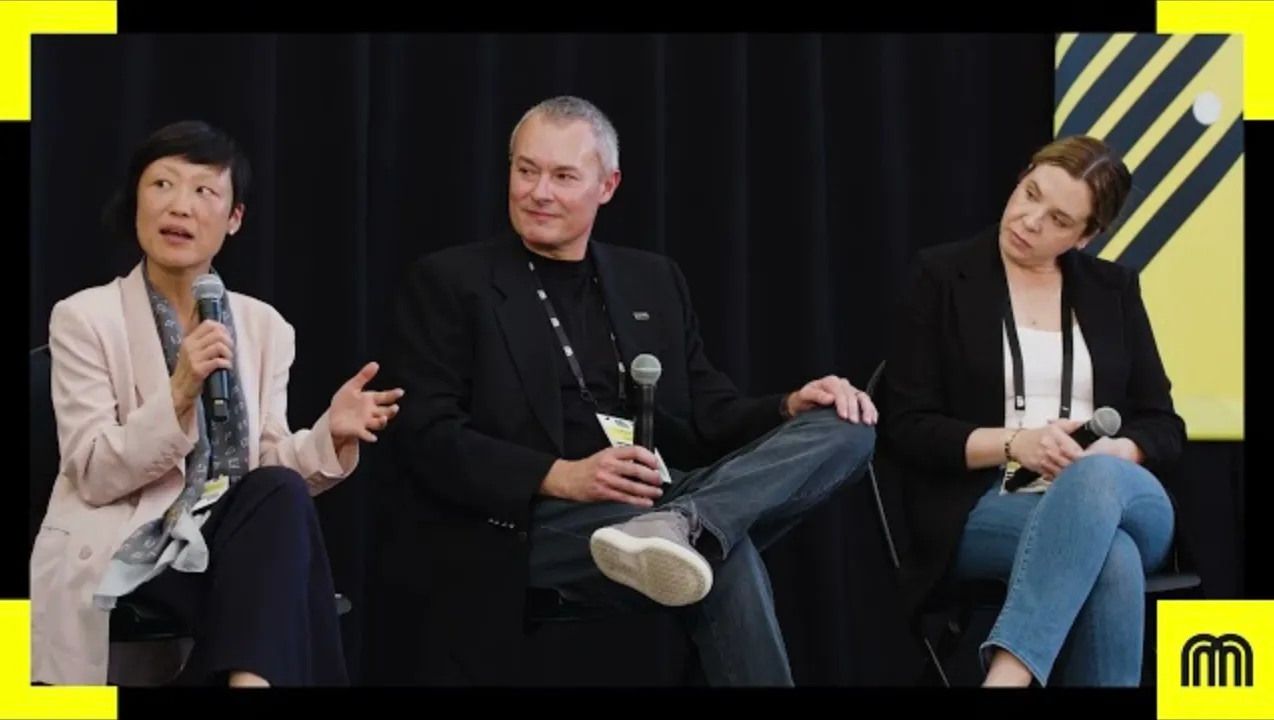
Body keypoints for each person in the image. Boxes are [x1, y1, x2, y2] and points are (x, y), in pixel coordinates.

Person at [371, 95, 876, 686]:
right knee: (721, 552)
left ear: (607, 186)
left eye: (563, 177)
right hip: (529, 523)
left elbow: (708, 414)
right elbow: (426, 436)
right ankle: (688, 527)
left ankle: (684, 522)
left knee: (849, 428)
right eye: (526, 170)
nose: (538, 192)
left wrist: (790, 406)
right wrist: (561, 475)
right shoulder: (451, 282)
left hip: (657, 497)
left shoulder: (652, 280)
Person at [29, 120, 404, 687]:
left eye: (204, 190)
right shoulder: (84, 318)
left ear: (234, 219)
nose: (179, 206)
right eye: (162, 185)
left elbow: (266, 471)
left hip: (225, 548)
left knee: (278, 493)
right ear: (136, 202)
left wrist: (330, 435)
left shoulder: (264, 326)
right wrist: (178, 392)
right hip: (128, 549)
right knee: (288, 582)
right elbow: (95, 473)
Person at [879, 135, 1183, 687]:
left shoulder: (1114, 289)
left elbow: (1163, 424)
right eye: (1030, 193)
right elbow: (907, 427)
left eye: (1059, 219)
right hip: (986, 503)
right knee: (1112, 558)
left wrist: (1113, 453)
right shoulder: (941, 276)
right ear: (1022, 177)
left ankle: (1008, 674)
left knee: (1095, 481)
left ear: (1085, 236)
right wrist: (1017, 443)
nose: (1029, 220)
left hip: (1122, 495)